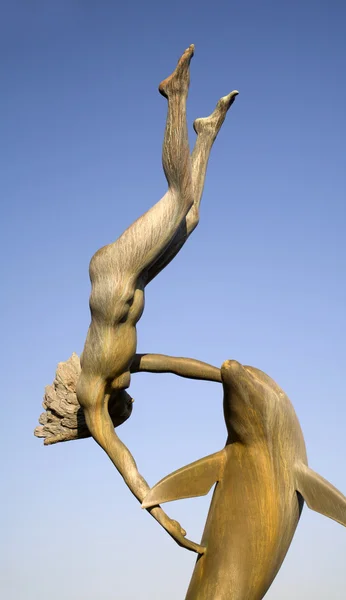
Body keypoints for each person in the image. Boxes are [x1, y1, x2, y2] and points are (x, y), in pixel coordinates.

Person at [76, 45, 238, 553]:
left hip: (114, 273)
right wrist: (223, 374)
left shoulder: (92, 394)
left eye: (123, 406)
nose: (128, 400)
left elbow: (128, 467)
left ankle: (175, 95)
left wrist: (158, 516)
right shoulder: (125, 367)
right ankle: (206, 134)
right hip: (136, 277)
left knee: (177, 195)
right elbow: (172, 365)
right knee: (190, 218)